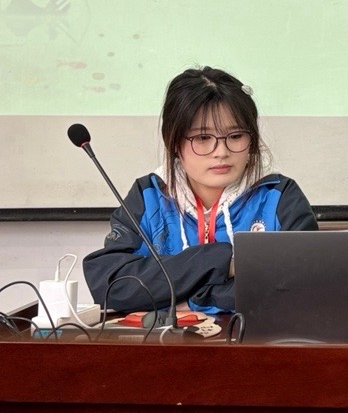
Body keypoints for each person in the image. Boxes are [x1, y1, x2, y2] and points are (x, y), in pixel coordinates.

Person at [83, 66, 317, 314]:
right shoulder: (149, 195)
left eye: (236, 136)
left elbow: (301, 285)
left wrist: (194, 300)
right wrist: (223, 262)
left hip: (253, 336)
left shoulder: (278, 196)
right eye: (203, 138)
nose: (221, 152)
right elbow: (112, 284)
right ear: (174, 142)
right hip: (168, 339)